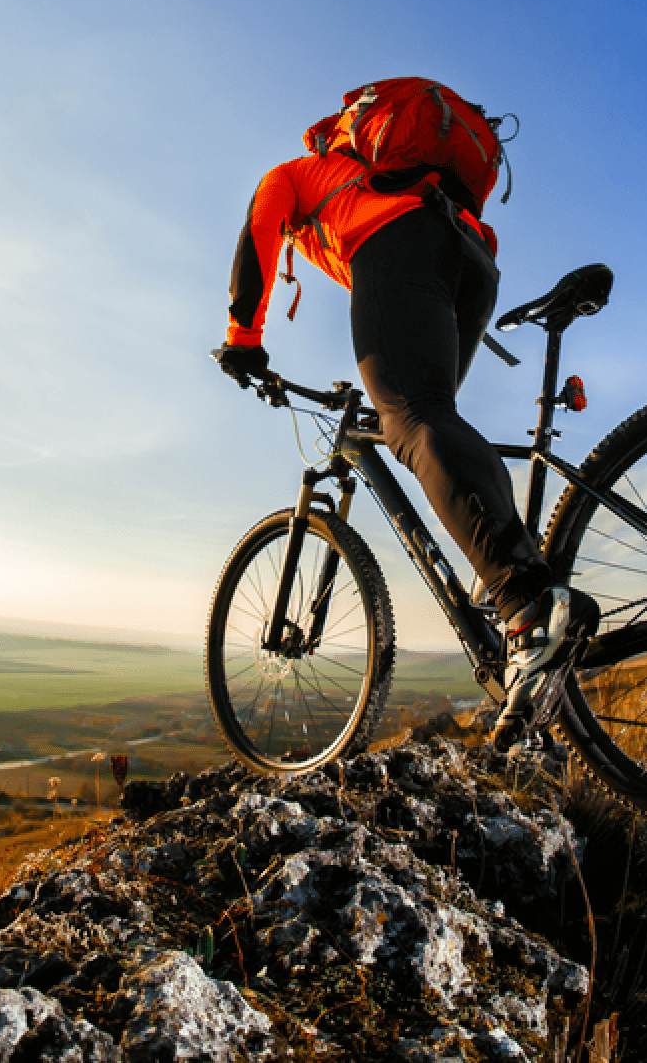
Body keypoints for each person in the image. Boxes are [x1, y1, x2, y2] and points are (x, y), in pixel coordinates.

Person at [215, 81, 598, 750]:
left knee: (413, 418)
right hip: (471, 256)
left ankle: (529, 608)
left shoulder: (302, 174)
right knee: (430, 422)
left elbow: (258, 230)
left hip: (404, 240)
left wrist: (244, 341)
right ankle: (521, 581)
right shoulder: (390, 177)